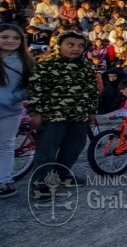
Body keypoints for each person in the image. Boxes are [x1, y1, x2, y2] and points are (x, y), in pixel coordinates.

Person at [27, 31, 98, 198]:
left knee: (74, 147)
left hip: (79, 115)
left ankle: (60, 175)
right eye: (70, 45)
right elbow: (36, 90)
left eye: (80, 46)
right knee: (47, 151)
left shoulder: (86, 65)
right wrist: (36, 112)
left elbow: (91, 91)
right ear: (59, 45)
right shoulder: (47, 64)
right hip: (53, 116)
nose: (76, 49)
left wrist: (92, 111)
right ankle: (40, 185)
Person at [0, 24, 33, 198]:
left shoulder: (25, 61)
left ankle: (3, 181)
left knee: (6, 145)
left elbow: (32, 86)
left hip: (10, 110)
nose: (10, 41)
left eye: (16, 38)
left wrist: (11, 98)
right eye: (5, 37)